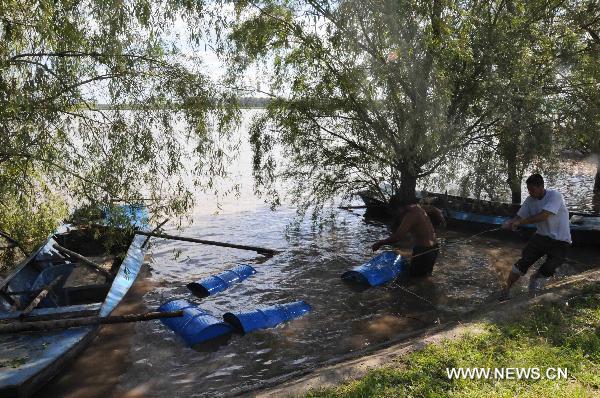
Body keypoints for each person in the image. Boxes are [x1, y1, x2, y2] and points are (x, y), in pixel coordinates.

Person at [500, 173, 571, 300]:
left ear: (541, 187)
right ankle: (506, 289)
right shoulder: (529, 200)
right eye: (528, 189)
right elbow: (519, 216)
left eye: (532, 189)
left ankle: (535, 280)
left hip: (561, 240)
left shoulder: (555, 196)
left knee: (550, 267)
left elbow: (543, 216)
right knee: (522, 263)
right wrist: (511, 223)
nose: (530, 192)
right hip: (541, 237)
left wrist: (520, 223)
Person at [372, 198, 441, 277]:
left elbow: (397, 237)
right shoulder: (417, 207)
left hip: (423, 251)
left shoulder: (411, 216)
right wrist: (440, 220)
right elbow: (434, 209)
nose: (397, 214)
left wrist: (380, 243)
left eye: (396, 211)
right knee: (425, 276)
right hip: (434, 248)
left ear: (399, 208)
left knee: (414, 279)